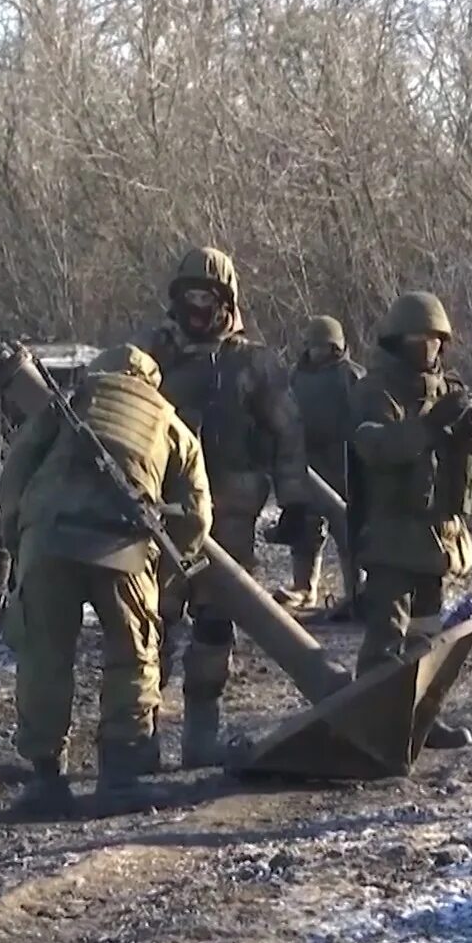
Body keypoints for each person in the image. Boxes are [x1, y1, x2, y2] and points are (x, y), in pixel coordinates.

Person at [0, 343, 212, 813]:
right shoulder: (167, 420)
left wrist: (15, 535)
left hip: (47, 539)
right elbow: (197, 511)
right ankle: (121, 776)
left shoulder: (70, 403)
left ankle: (45, 780)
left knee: (44, 656)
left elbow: (17, 470)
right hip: (122, 546)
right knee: (132, 655)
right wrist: (171, 570)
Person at [140, 246, 310, 767]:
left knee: (215, 625)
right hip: (164, 514)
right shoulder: (151, 357)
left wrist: (296, 503)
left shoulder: (253, 363)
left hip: (232, 514)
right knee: (153, 626)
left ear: (226, 302)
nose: (197, 307)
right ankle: (138, 737)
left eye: (208, 297)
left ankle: (200, 740)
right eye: (189, 296)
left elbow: (288, 434)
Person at [348, 291, 472, 750]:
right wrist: (432, 427)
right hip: (392, 532)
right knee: (385, 639)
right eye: (417, 339)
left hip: (438, 536)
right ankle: (373, 725)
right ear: (396, 341)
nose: (427, 348)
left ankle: (420, 722)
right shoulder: (374, 392)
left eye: (434, 339)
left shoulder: (450, 389)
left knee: (427, 637)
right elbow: (379, 449)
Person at [271, 315, 365, 613]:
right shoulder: (295, 376)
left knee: (348, 531)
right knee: (305, 532)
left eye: (327, 346)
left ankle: (356, 590)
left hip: (343, 467)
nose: (320, 352)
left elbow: (364, 415)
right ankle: (304, 587)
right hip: (307, 466)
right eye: (316, 346)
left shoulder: (350, 376)